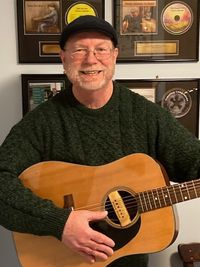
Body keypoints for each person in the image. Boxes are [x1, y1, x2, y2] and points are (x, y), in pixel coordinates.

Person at [0, 15, 200, 267]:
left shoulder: (146, 115)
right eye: (79, 50)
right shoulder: (41, 123)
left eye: (101, 49)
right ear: (63, 58)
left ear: (115, 55)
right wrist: (60, 223)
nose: (90, 59)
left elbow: (193, 161)